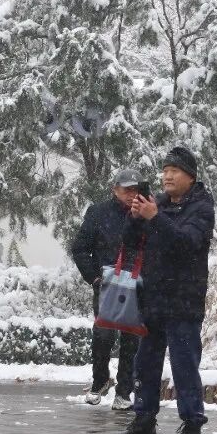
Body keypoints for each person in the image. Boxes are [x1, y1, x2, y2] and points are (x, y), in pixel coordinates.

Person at [108, 146, 215, 434]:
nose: (167, 175)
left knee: (184, 366)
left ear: (190, 177)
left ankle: (192, 428)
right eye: (165, 170)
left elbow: (186, 244)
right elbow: (129, 242)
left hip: (184, 300)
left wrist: (155, 218)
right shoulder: (159, 203)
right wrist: (136, 218)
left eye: (175, 170)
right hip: (153, 298)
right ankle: (143, 422)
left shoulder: (202, 207)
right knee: (145, 363)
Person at [70, 168, 143, 409]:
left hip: (137, 285)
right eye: (126, 189)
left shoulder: (148, 213)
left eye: (136, 189)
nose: (131, 194)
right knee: (102, 335)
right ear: (115, 189)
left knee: (132, 339)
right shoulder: (98, 213)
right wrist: (93, 277)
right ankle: (100, 380)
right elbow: (80, 248)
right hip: (107, 284)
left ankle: (124, 391)